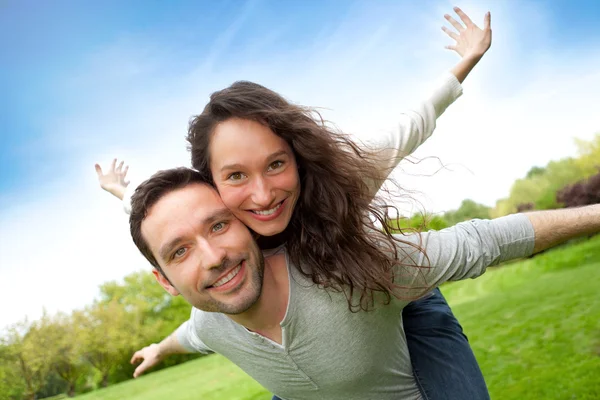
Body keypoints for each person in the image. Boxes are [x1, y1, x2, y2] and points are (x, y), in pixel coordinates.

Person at [97, 7, 494, 399]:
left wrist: (468, 58)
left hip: (400, 288)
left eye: (274, 166)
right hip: (313, 322)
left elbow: (413, 123)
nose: (264, 196)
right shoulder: (221, 218)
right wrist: (120, 192)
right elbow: (159, 223)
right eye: (236, 176)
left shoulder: (340, 180)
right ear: (216, 184)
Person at [126, 167, 600, 400]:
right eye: (180, 251)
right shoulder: (208, 321)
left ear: (246, 223)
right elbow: (186, 336)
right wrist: (157, 349)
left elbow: (485, 240)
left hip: (392, 291)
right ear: (164, 281)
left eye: (218, 226)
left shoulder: (356, 270)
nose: (213, 257)